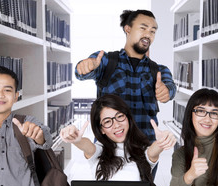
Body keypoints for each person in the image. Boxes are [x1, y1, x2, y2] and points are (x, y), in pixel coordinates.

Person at [75, 9, 176, 142]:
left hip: (145, 149)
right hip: (109, 149)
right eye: (143, 28)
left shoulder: (158, 70)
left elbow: (171, 87)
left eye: (153, 31)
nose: (148, 35)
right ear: (127, 29)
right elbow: (81, 73)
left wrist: (167, 91)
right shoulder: (106, 61)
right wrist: (85, 67)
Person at [60, 94, 177, 186]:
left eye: (120, 116)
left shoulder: (142, 151)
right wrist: (77, 140)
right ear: (101, 129)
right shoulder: (99, 150)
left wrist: (161, 142)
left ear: (128, 118)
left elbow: (152, 152)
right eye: (107, 122)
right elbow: (88, 147)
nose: (116, 125)